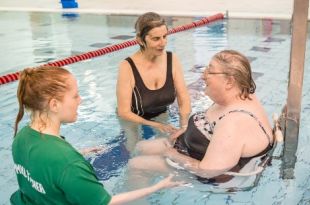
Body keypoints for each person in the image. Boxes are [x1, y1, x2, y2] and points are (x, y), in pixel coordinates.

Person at [11, 66, 181, 205]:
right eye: (75, 96)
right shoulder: (69, 164)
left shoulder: (22, 137)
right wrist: (158, 187)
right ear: (54, 105)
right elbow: (106, 202)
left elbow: (42, 170)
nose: (80, 100)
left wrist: (80, 153)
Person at [129, 50, 274, 184]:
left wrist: (172, 154)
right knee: (141, 147)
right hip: (192, 147)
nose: (203, 75)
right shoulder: (240, 94)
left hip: (204, 168)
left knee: (136, 165)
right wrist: (186, 129)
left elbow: (208, 172)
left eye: (210, 71)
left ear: (229, 82)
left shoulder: (234, 122)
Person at [116, 12, 191, 133]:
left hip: (161, 114)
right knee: (135, 149)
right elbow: (124, 112)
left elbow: (184, 98)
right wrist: (155, 125)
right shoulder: (127, 67)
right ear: (140, 40)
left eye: (165, 36)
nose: (163, 43)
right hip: (133, 119)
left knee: (170, 145)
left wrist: (184, 127)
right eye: (156, 39)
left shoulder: (172, 59)